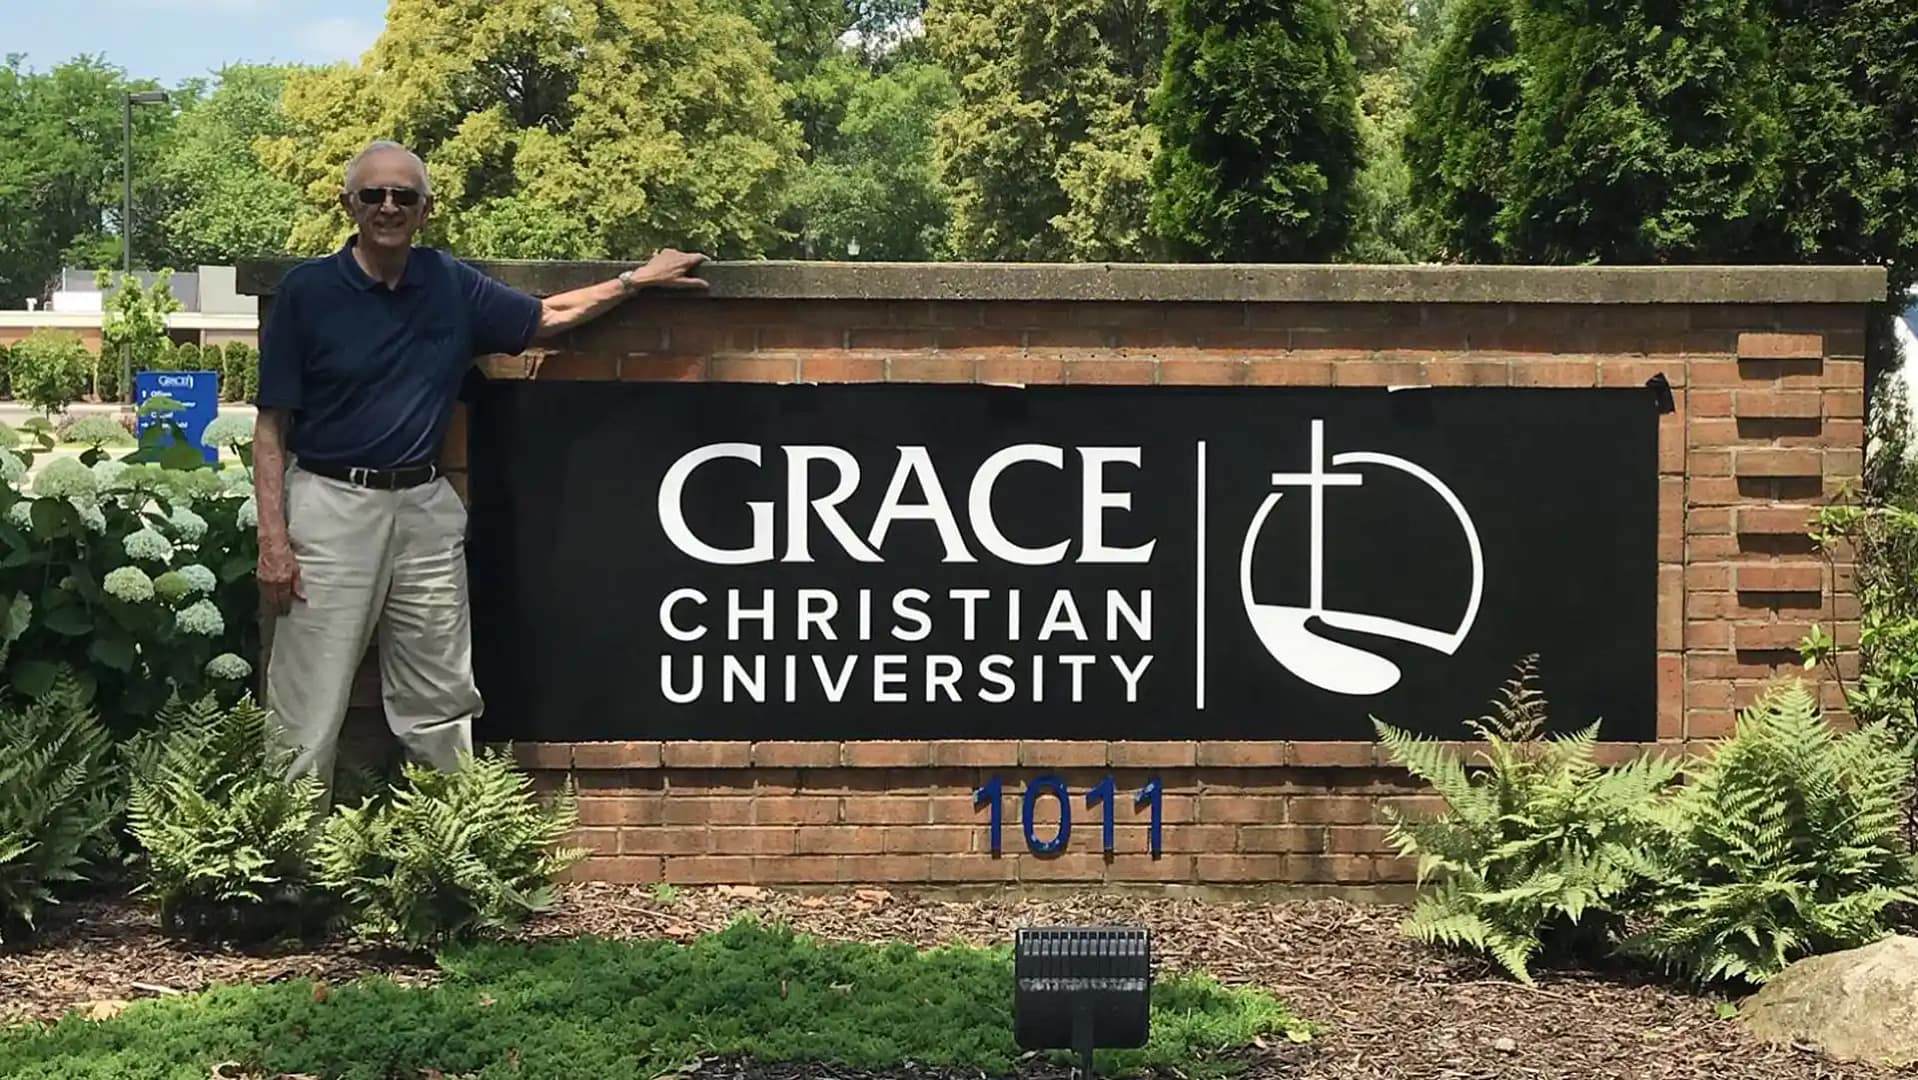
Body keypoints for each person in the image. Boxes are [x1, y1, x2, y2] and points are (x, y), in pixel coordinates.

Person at [253, 139, 708, 800]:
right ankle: (291, 872)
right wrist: (273, 540)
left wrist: (636, 281)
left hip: (422, 508)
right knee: (307, 705)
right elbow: (270, 427)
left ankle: (449, 864)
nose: (388, 207)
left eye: (403, 196)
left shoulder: (447, 283)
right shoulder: (307, 292)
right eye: (373, 194)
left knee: (439, 699)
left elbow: (546, 316)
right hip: (329, 503)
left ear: (425, 209)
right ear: (347, 203)